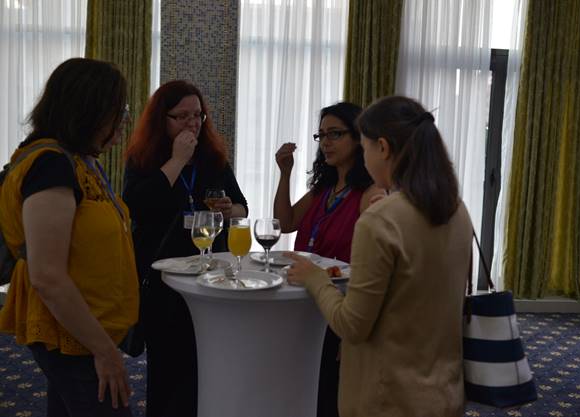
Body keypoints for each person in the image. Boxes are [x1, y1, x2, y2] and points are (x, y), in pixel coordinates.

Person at [286, 96, 473, 417]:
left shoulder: (382, 219)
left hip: (388, 396)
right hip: (443, 390)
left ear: (382, 148)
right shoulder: (457, 209)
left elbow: (352, 325)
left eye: (365, 145)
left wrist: (315, 279)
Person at [0, 58, 138, 416]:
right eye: (118, 110)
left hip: (81, 329)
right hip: (71, 333)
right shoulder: (51, 165)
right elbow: (47, 276)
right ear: (89, 110)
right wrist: (105, 352)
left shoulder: (77, 161)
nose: (123, 121)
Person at [123, 80, 248, 417]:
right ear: (161, 119)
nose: (193, 123)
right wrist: (177, 160)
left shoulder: (213, 158)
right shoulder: (144, 158)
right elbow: (137, 205)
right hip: (163, 275)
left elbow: (242, 207)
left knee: (205, 358)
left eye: (198, 116)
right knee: (167, 360)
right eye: (182, 116)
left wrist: (228, 209)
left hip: (209, 273)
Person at [273, 102, 384, 417]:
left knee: (329, 397)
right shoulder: (325, 188)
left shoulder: (370, 193)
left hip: (340, 308)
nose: (326, 143)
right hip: (307, 302)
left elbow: (375, 265)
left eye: (335, 134)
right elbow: (284, 222)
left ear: (359, 138)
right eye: (321, 136)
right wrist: (284, 174)